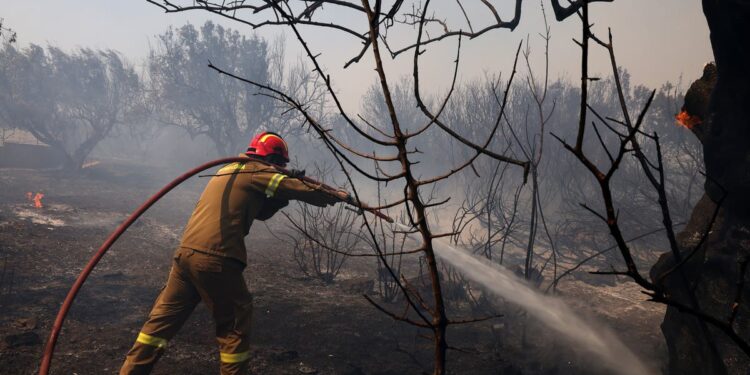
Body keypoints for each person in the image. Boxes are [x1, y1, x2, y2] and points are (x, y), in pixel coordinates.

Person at [120, 132, 347, 375]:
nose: (281, 169)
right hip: (216, 258)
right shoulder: (258, 171)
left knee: (158, 326)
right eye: (281, 164)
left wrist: (282, 197)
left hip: (186, 256)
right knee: (235, 326)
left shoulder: (228, 171)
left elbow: (260, 212)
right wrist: (334, 195)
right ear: (272, 159)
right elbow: (296, 188)